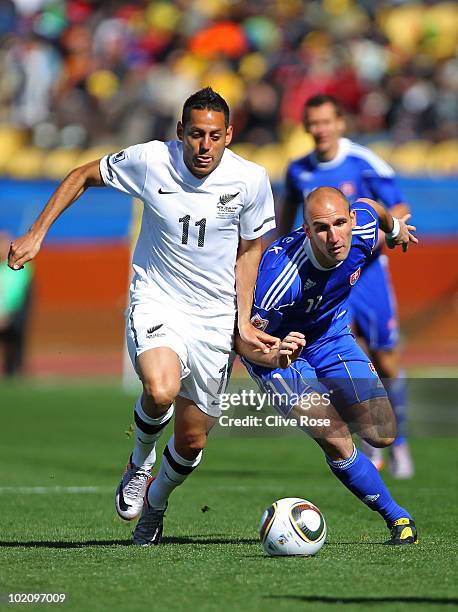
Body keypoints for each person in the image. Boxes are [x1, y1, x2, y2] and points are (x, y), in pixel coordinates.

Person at [8, 87, 277, 546]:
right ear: (180, 132)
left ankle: (156, 504)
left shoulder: (250, 180)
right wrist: (37, 234)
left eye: (214, 135)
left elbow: (250, 252)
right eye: (195, 134)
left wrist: (244, 320)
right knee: (161, 387)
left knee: (193, 441)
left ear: (229, 135)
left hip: (214, 318)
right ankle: (138, 463)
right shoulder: (152, 160)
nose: (204, 145)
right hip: (157, 299)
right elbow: (82, 174)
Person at [237, 186, 419, 545]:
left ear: (351, 221)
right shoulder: (279, 278)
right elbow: (243, 341)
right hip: (277, 351)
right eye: (321, 228)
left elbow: (369, 206)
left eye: (340, 223)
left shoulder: (364, 229)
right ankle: (398, 518)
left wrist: (394, 228)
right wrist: (276, 353)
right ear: (306, 231)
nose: (334, 236)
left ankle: (335, 403)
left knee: (382, 434)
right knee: (334, 437)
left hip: (329, 335)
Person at [278, 94, 414, 478]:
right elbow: (285, 223)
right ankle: (371, 442)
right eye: (313, 123)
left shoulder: (364, 162)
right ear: (306, 127)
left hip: (367, 276)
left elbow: (397, 209)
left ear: (340, 123)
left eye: (326, 122)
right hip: (324, 280)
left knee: (386, 357)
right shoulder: (297, 171)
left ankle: (398, 441)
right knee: (341, 351)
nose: (319, 130)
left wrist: (382, 236)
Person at [0, 231, 33, 377]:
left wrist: (7, 315)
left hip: (12, 316)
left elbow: (18, 294)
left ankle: (14, 370)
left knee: (14, 345)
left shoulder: (17, 267)